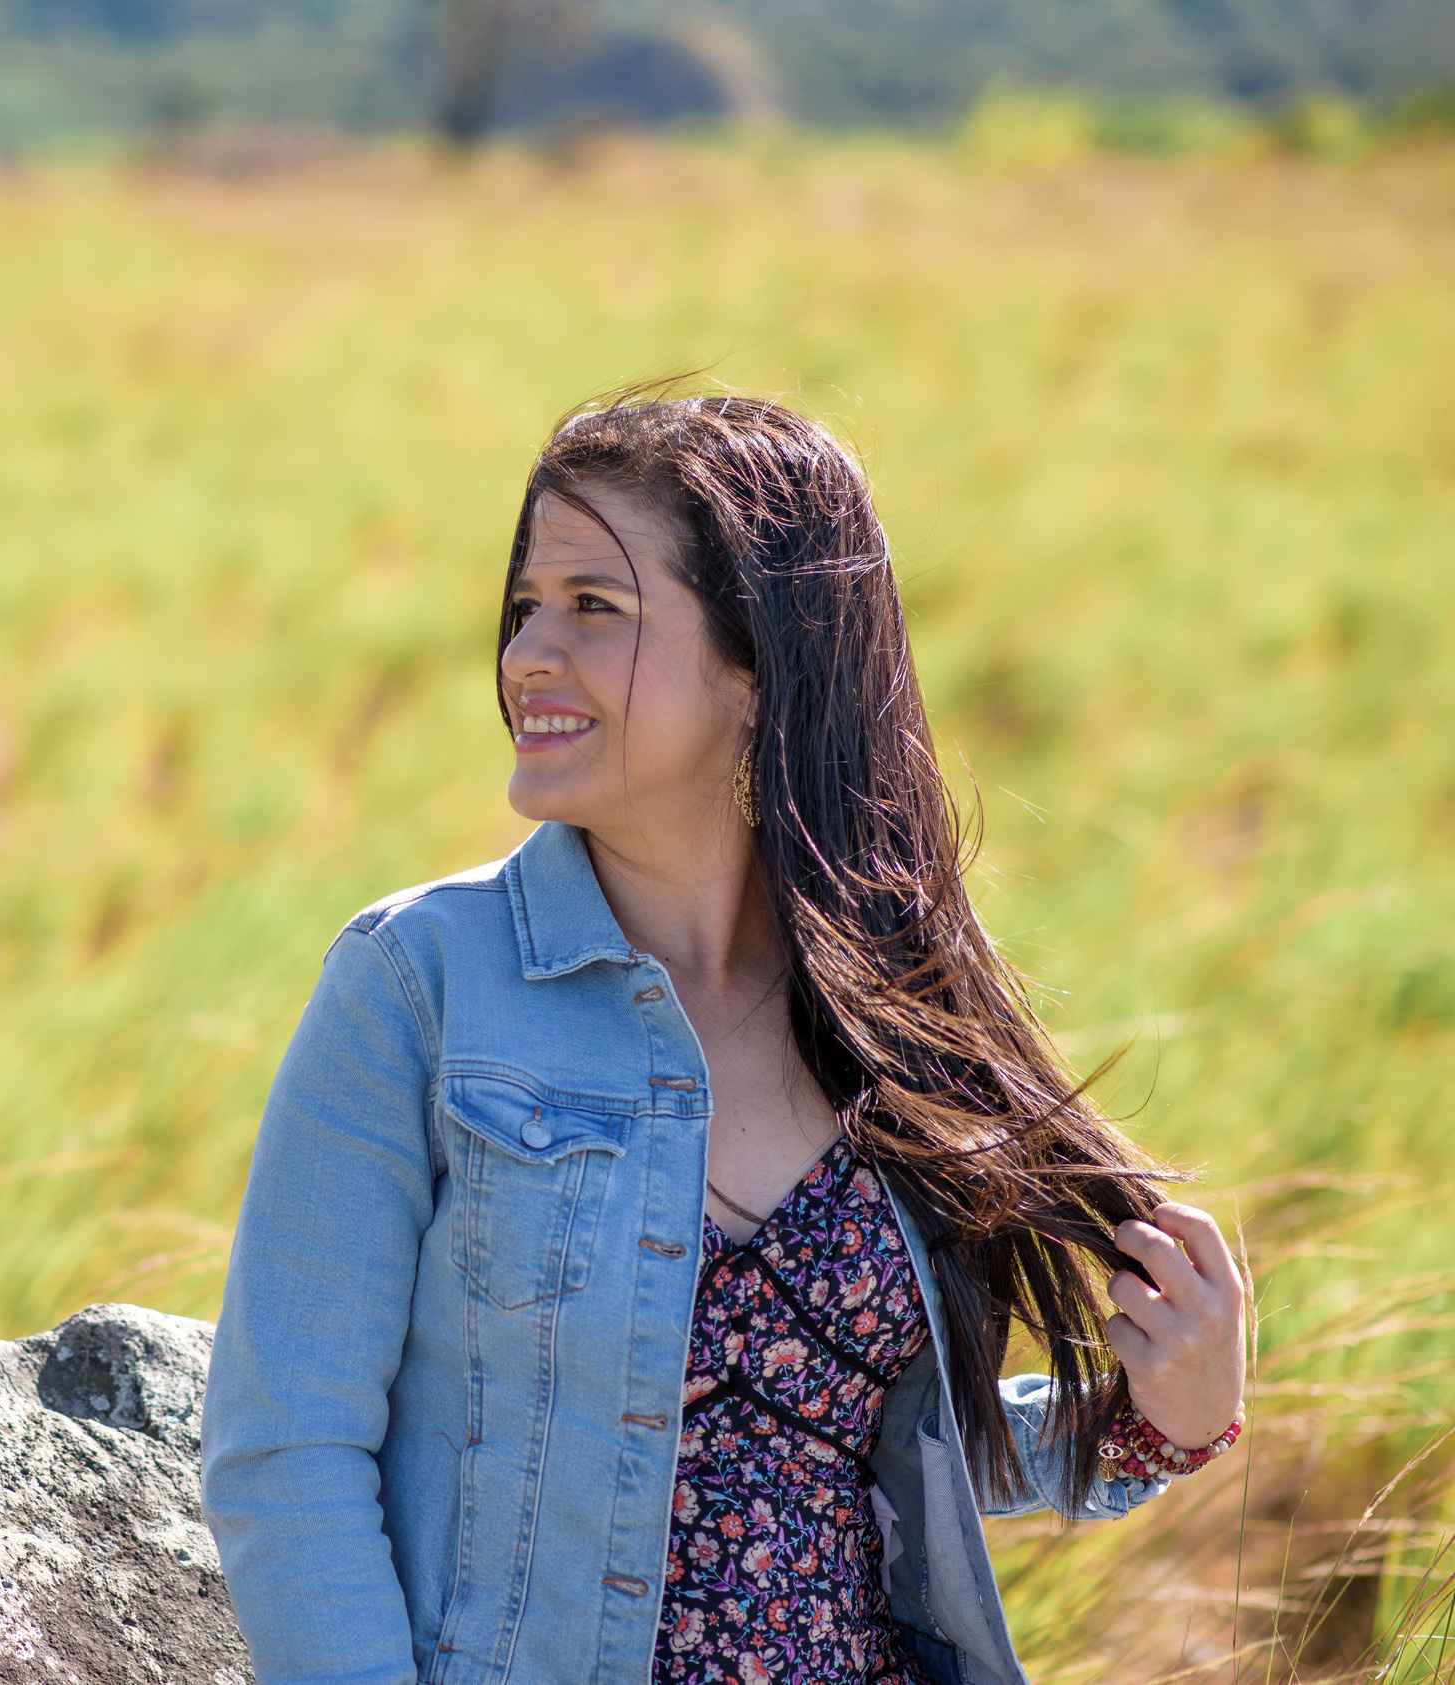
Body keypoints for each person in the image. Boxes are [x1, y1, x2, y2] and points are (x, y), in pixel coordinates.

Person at [197, 390, 1250, 1685]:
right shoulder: (418, 984)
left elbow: (899, 1444)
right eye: (526, 603)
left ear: (760, 662)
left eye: (596, 606)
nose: (529, 651)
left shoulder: (889, 1007)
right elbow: (286, 1447)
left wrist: (1159, 1427)